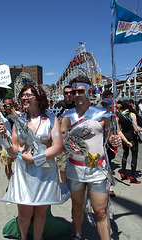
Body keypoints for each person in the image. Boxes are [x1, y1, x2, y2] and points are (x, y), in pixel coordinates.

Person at [0, 82, 69, 240]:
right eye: (22, 95)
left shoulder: (51, 119)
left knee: (41, 213)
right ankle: (23, 237)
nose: (24, 98)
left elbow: (58, 146)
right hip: (24, 173)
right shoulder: (19, 122)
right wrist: (5, 138)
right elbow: (13, 152)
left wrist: (36, 158)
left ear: (38, 97)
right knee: (24, 214)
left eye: (28, 94)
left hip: (46, 172)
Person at [61, 76, 122, 240]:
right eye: (74, 92)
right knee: (77, 205)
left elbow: (109, 136)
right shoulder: (68, 115)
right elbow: (60, 138)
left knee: (100, 210)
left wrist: (114, 140)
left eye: (81, 91)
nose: (77, 95)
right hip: (75, 169)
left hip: (97, 169)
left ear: (89, 91)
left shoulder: (102, 114)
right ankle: (78, 235)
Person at [54, 85, 75, 184]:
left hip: (75, 139)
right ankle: (65, 185)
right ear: (63, 94)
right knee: (62, 164)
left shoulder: (77, 105)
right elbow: (54, 123)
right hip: (62, 139)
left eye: (71, 92)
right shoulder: (59, 106)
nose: (69, 95)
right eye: (66, 93)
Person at [118, 100, 142, 184]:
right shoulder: (132, 114)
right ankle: (133, 176)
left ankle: (123, 173)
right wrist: (141, 129)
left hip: (124, 136)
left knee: (125, 154)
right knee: (134, 156)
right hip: (132, 137)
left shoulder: (119, 115)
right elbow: (136, 128)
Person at [0, 98, 16, 180]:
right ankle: (10, 182)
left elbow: (21, 122)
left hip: (16, 143)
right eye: (5, 104)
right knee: (8, 165)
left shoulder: (16, 113)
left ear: (12, 104)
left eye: (9, 104)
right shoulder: (1, 115)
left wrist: (12, 112)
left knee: (19, 165)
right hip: (4, 143)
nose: (7, 106)